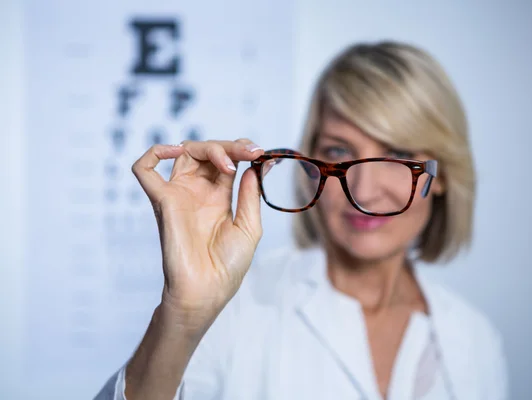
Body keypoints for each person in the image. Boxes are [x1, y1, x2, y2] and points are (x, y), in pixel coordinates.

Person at [95, 41, 508, 400]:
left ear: (442, 177)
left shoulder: (474, 339)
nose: (362, 191)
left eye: (397, 154)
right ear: (311, 164)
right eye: (339, 150)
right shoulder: (239, 309)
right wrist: (183, 313)